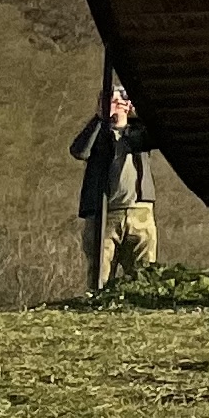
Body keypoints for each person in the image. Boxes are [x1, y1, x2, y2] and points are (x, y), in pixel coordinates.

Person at [70, 73, 159, 292]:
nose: (115, 106)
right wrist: (100, 118)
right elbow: (79, 151)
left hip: (139, 210)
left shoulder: (138, 133)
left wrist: (131, 116)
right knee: (99, 272)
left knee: (143, 272)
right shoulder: (98, 134)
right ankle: (98, 307)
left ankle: (139, 309)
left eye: (119, 101)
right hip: (104, 212)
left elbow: (155, 136)